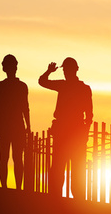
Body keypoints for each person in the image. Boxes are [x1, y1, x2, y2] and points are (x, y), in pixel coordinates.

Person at [38, 58, 93, 199]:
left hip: (71, 134)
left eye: (66, 69)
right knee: (60, 168)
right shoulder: (74, 87)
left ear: (74, 70)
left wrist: (84, 134)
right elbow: (42, 82)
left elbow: (89, 115)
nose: (65, 72)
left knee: (72, 169)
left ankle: (75, 201)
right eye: (64, 70)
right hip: (69, 133)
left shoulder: (76, 87)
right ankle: (60, 199)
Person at [0, 54, 31, 190]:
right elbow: (24, 108)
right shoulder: (14, 86)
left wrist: (28, 126)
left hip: (13, 127)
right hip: (11, 127)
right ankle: (13, 188)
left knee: (11, 158)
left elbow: (24, 107)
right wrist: (28, 126)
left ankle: (13, 188)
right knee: (10, 158)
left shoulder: (3, 86)